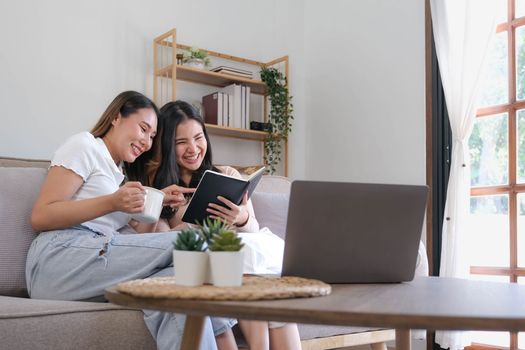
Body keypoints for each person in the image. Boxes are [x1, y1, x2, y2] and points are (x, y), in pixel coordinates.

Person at [26, 91, 229, 350]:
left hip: (93, 260)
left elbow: (139, 238)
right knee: (196, 242)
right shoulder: (85, 145)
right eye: (143, 129)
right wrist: (113, 202)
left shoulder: (118, 175)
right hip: (56, 259)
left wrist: (156, 201)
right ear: (116, 118)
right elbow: (41, 215)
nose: (146, 141)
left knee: (179, 283)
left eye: (152, 136)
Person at [143, 100, 302, 350]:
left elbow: (253, 229)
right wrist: (193, 224)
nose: (193, 148)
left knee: (256, 267)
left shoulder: (227, 174)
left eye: (198, 138)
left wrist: (241, 218)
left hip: (244, 259)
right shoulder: (161, 192)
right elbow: (159, 247)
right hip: (209, 263)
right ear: (166, 145)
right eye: (181, 142)